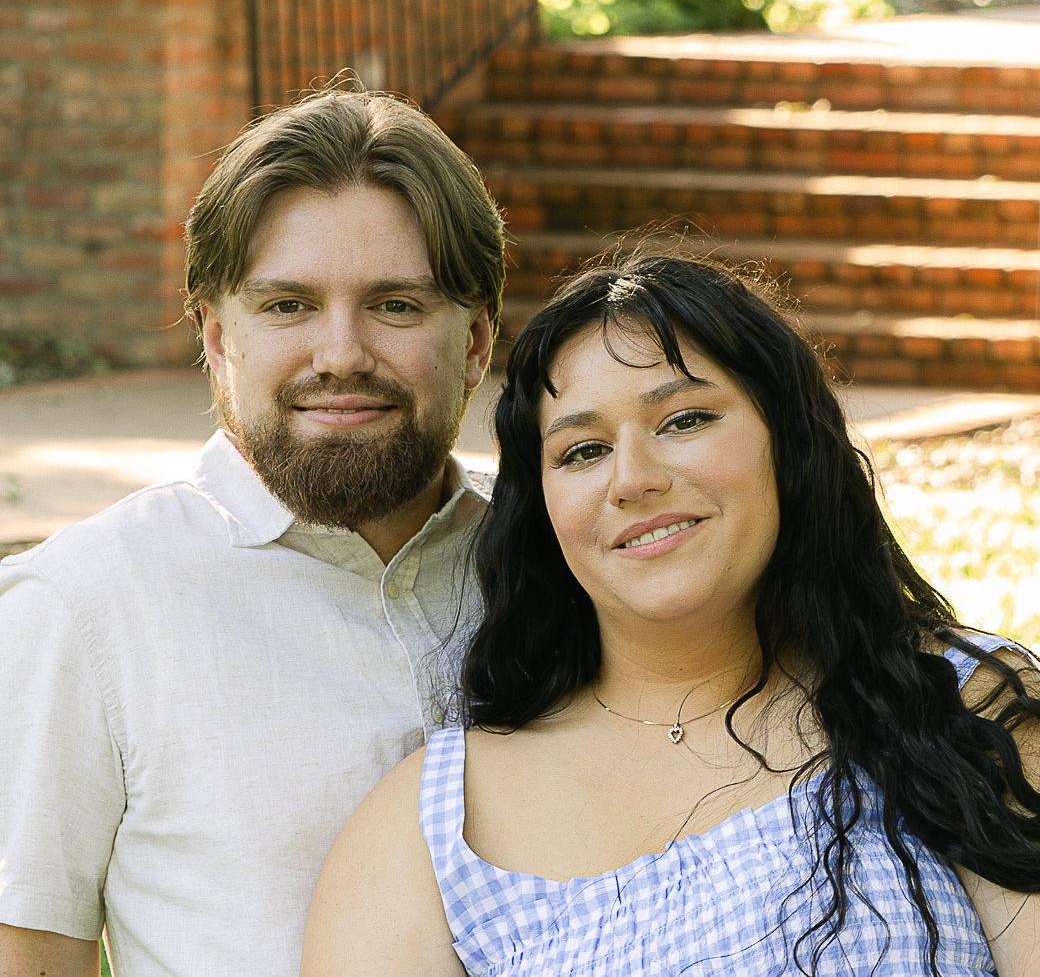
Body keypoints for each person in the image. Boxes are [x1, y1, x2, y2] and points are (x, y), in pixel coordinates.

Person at [303, 249, 1040, 977]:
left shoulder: (964, 708)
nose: (632, 479)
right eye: (583, 451)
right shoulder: (434, 828)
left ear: (788, 444)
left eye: (684, 420)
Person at [0, 88, 505, 976]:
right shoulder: (83, 605)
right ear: (216, 338)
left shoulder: (560, 557)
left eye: (395, 305)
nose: (341, 354)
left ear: (475, 343)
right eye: (288, 306)